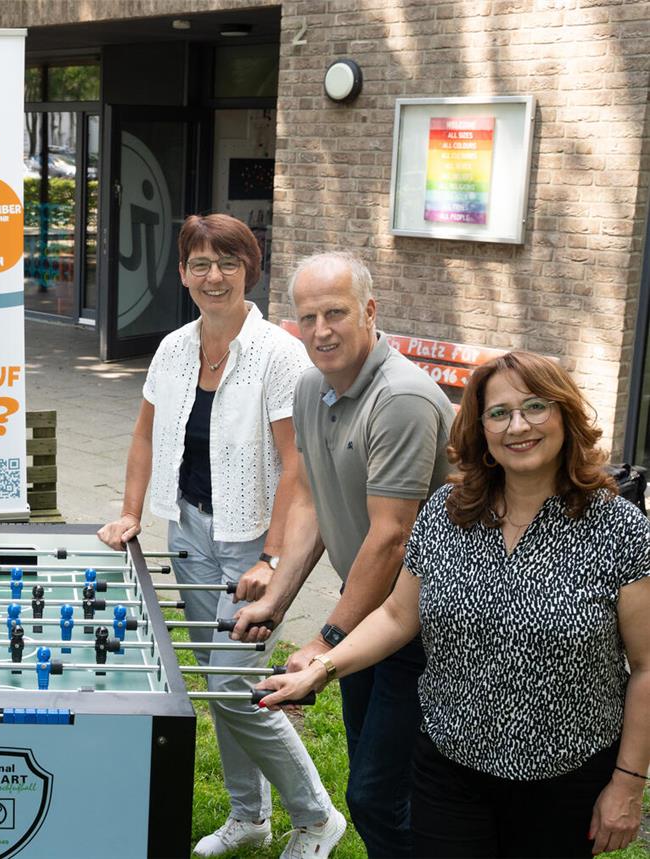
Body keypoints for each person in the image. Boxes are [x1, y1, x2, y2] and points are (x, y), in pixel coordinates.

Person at [249, 351, 650, 858]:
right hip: (449, 769)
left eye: (535, 407)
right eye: (499, 413)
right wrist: (321, 668)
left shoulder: (619, 529)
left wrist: (628, 783)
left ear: (565, 415)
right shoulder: (448, 511)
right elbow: (397, 616)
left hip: (565, 780)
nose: (518, 426)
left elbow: (645, 667)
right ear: (480, 429)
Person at [98, 214, 346, 858]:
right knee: (216, 682)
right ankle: (249, 817)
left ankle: (317, 815)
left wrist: (271, 555)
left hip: (253, 544)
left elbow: (297, 466)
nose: (214, 276)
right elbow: (146, 435)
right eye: (201, 264)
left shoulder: (278, 353)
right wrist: (131, 512)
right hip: (189, 528)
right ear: (182, 274)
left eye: (227, 263)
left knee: (234, 684)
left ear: (249, 271)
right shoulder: (174, 347)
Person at [232, 251, 454, 857]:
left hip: (429, 624)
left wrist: (326, 640)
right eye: (308, 317)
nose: (322, 330)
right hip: (369, 616)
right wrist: (276, 601)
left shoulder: (400, 399)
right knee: (376, 789)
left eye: (336, 313)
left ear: (370, 312)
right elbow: (310, 498)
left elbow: (392, 536)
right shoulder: (312, 386)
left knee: (386, 795)